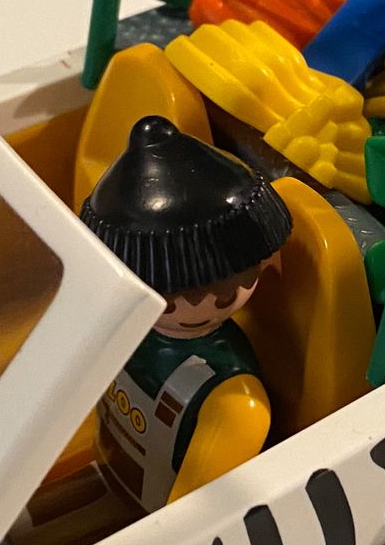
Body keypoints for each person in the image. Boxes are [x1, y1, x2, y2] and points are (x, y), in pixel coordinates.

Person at [79, 115, 292, 513]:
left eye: (217, 287)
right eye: (171, 293)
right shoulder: (122, 328)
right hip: (106, 475)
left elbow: (192, 522)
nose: (195, 304)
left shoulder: (231, 401)